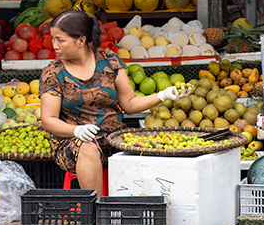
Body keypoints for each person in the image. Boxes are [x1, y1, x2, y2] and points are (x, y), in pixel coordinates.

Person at [39, 10, 191, 195]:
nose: (54, 45)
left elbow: (129, 103)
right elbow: (48, 120)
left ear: (80, 40)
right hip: (73, 144)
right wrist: (76, 131)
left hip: (113, 139)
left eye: (60, 40)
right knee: (88, 147)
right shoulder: (53, 72)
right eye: (53, 39)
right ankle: (96, 215)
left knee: (154, 145)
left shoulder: (109, 61)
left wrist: (162, 96)